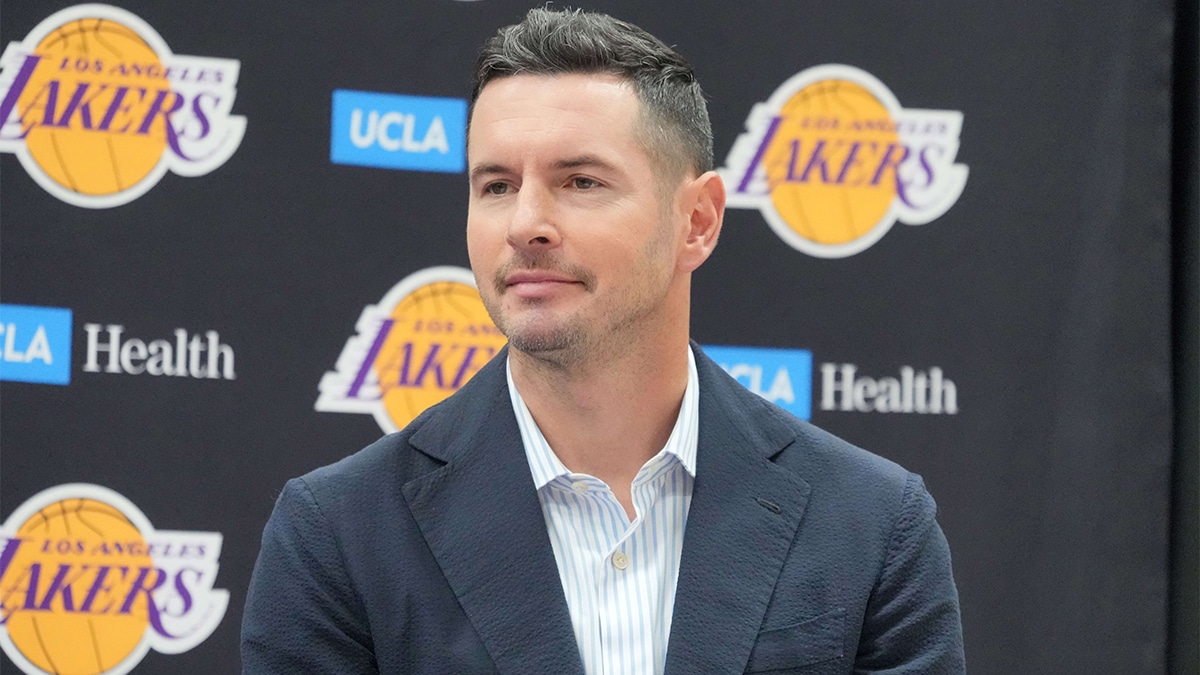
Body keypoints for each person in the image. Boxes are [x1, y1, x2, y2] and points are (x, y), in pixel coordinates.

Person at [241, 8, 965, 674]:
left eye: (580, 181)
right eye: (495, 184)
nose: (525, 223)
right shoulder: (337, 534)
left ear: (699, 221)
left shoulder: (873, 525)